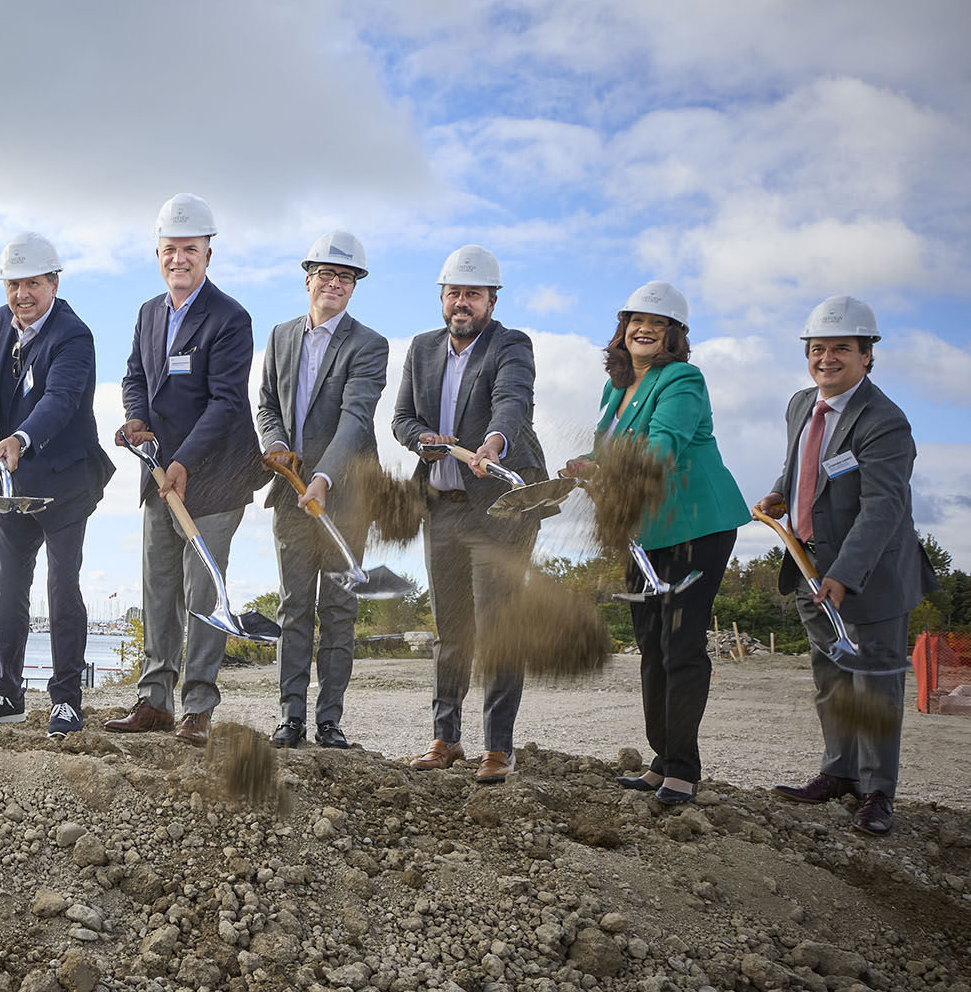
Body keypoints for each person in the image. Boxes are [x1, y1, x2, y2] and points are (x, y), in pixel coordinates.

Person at [561, 282, 748, 805]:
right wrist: (589, 465)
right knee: (650, 643)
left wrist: (611, 467)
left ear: (674, 335)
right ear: (622, 329)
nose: (644, 328)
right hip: (643, 533)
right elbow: (612, 451)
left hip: (695, 527)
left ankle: (684, 768)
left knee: (680, 645)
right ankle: (661, 758)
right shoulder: (614, 388)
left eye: (658, 322)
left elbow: (662, 445)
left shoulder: (683, 380)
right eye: (636, 320)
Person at [759, 295, 938, 836]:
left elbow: (884, 507)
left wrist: (843, 575)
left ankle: (877, 792)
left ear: (866, 356)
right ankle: (839, 773)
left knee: (874, 686)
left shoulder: (883, 421)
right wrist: (777, 494)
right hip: (811, 567)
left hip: (870, 577)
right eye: (818, 349)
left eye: (841, 349)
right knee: (833, 679)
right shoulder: (800, 404)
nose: (827, 358)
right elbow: (802, 464)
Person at [107, 193, 264, 748]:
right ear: (158, 254)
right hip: (159, 478)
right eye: (170, 250)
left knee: (203, 595)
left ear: (207, 254)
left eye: (190, 250)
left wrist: (183, 461)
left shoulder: (229, 318)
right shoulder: (150, 313)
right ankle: (155, 700)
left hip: (215, 477)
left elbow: (225, 403)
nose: (180, 259)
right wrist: (136, 420)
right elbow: (134, 377)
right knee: (159, 590)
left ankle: (198, 706)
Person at [390, 245, 547, 784]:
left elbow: (513, 400)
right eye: (454, 293)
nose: (463, 303)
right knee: (451, 630)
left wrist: (495, 443)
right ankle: (446, 739)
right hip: (443, 507)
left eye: (473, 295)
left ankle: (498, 748)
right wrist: (422, 439)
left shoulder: (511, 345)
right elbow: (402, 417)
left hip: (501, 507)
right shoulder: (421, 348)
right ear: (441, 297)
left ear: (491, 300)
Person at [0, 232, 113, 738]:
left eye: (32, 284)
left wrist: (21, 436)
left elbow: (61, 399)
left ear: (53, 281)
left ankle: (66, 702)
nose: (21, 295)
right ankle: (7, 694)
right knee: (8, 588)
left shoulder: (74, 335)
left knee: (61, 586)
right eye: (13, 284)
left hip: (66, 480)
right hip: (12, 481)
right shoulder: (1, 321)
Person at [255, 231, 390, 750]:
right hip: (290, 493)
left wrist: (324, 478)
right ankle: (290, 720)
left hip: (348, 497)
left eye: (345, 277)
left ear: (353, 288)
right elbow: (267, 403)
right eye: (326, 274)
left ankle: (329, 722)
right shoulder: (281, 336)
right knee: (294, 607)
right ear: (307, 278)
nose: (334, 283)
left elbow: (356, 421)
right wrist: (277, 445)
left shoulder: (369, 345)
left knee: (338, 609)